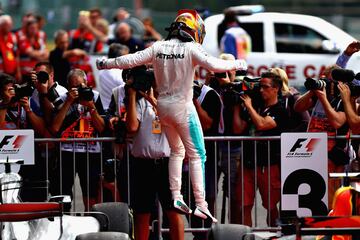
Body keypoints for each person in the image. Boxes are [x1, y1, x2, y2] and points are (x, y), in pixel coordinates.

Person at [96, 9, 247, 223]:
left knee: (177, 151)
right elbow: (215, 65)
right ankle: (201, 205)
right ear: (194, 30)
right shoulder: (191, 48)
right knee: (198, 155)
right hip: (183, 107)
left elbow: (129, 60)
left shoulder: (157, 47)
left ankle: (176, 196)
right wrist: (238, 64)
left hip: (163, 107)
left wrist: (105, 63)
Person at [126, 75, 184, 240]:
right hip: (142, 164)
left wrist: (154, 101)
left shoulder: (173, 102)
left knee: (173, 211)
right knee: (142, 213)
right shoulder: (139, 102)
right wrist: (131, 95)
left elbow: (175, 122)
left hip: (168, 163)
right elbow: (131, 127)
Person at [236, 71, 288, 226]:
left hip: (268, 164)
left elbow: (262, 125)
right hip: (248, 162)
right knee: (244, 205)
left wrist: (249, 106)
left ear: (276, 89)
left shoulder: (280, 110)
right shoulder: (256, 106)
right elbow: (238, 128)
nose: (261, 90)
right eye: (260, 87)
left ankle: (273, 235)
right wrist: (237, 107)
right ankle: (246, 237)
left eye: (265, 87)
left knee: (270, 206)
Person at [294, 64, 349, 208]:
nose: (327, 85)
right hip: (311, 151)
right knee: (310, 194)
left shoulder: (344, 100)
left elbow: (337, 122)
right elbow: (298, 107)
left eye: (330, 81)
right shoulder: (318, 96)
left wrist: (324, 99)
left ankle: (330, 228)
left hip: (331, 155)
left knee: (330, 198)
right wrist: (313, 90)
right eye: (326, 80)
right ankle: (314, 228)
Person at [50, 68, 105, 210]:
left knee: (90, 190)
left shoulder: (95, 96)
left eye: (81, 86)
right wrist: (68, 102)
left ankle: (92, 220)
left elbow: (102, 128)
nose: (78, 90)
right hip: (67, 151)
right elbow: (55, 128)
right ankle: (65, 220)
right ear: (68, 87)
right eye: (73, 87)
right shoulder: (62, 99)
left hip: (91, 151)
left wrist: (91, 107)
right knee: (64, 190)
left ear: (86, 83)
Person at [269, 67, 310, 132]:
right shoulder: (271, 99)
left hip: (288, 140)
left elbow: (306, 122)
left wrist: (286, 134)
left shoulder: (293, 97)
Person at [98, 43, 129, 112]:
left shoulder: (103, 69)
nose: (129, 59)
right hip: (115, 112)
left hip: (104, 109)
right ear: (120, 58)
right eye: (126, 57)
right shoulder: (118, 74)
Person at [0, 15, 21, 81]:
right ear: (1, 25)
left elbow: (16, 55)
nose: (10, 27)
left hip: (11, 72)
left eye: (11, 24)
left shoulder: (13, 37)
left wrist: (18, 71)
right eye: (7, 25)